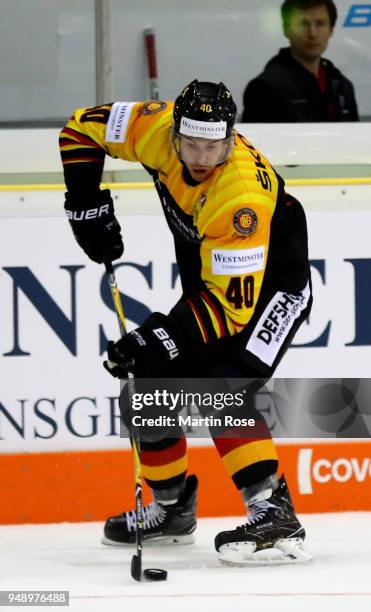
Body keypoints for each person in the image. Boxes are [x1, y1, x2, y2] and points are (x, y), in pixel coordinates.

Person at [59, 80, 312, 566]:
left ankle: (274, 512)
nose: (199, 156)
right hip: (216, 279)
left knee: (223, 386)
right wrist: (84, 204)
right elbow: (78, 130)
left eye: (212, 145)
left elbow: (230, 310)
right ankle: (172, 510)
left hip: (275, 286)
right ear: (173, 131)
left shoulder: (238, 195)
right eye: (190, 143)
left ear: (231, 138)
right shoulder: (152, 128)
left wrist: (157, 338)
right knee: (149, 385)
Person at [242, 0, 359, 122]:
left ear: (331, 30)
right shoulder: (264, 88)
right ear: (286, 29)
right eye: (303, 24)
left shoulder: (343, 86)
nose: (312, 33)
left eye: (320, 24)